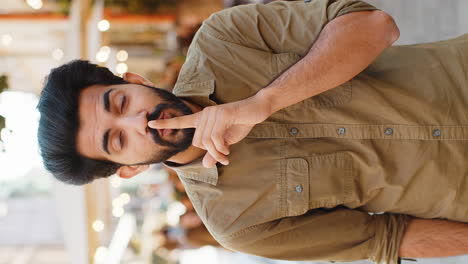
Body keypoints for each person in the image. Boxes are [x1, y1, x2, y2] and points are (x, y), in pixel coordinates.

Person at [36, 0, 468, 264]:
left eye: (120, 102)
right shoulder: (235, 223)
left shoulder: (222, 40)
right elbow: (388, 238)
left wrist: (263, 102)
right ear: (126, 170)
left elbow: (375, 26)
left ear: (135, 80)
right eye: (117, 140)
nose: (137, 123)